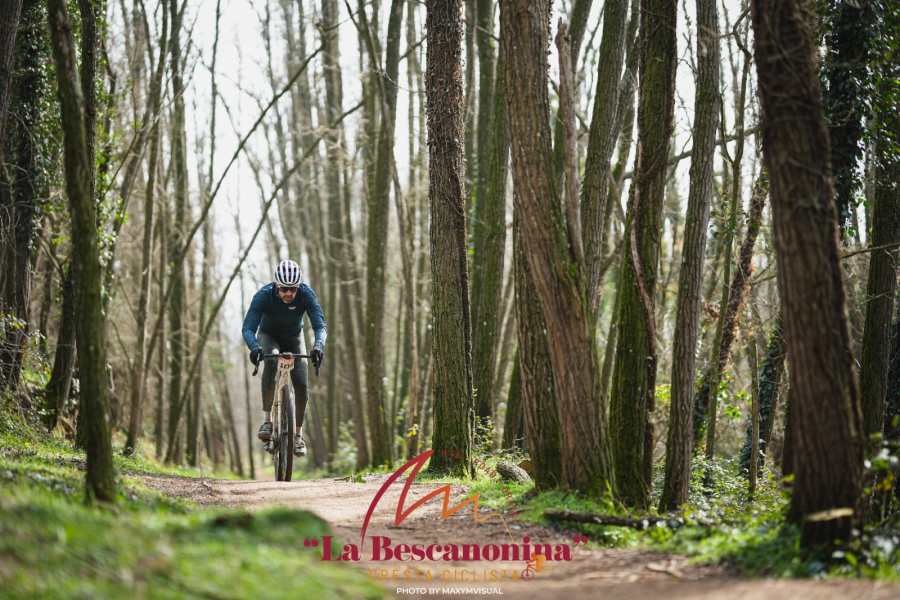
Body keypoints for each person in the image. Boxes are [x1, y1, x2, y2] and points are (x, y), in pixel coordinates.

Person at [242, 259, 326, 456]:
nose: (289, 293)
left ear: (299, 287)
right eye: (284, 289)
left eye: (293, 289)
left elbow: (320, 326)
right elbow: (248, 328)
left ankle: (298, 436)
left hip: (294, 338)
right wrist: (254, 348)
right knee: (271, 361)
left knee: (302, 383)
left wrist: (318, 346)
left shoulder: (306, 294)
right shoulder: (263, 296)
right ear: (276, 286)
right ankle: (267, 421)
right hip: (268, 336)